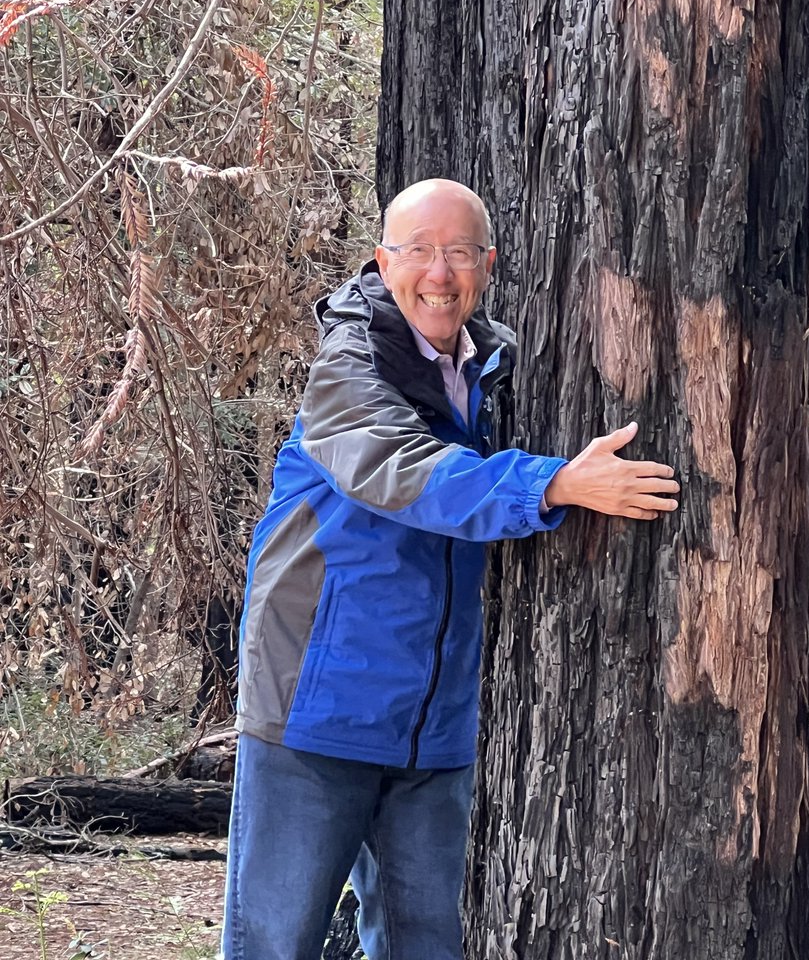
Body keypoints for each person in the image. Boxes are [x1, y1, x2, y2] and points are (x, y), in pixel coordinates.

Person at [221, 179, 681, 960]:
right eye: (419, 252)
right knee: (274, 943)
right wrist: (557, 482)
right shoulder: (349, 368)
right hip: (314, 712)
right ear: (381, 260)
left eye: (459, 252)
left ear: (487, 264)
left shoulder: (490, 368)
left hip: (432, 730)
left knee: (428, 945)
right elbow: (409, 474)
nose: (440, 273)